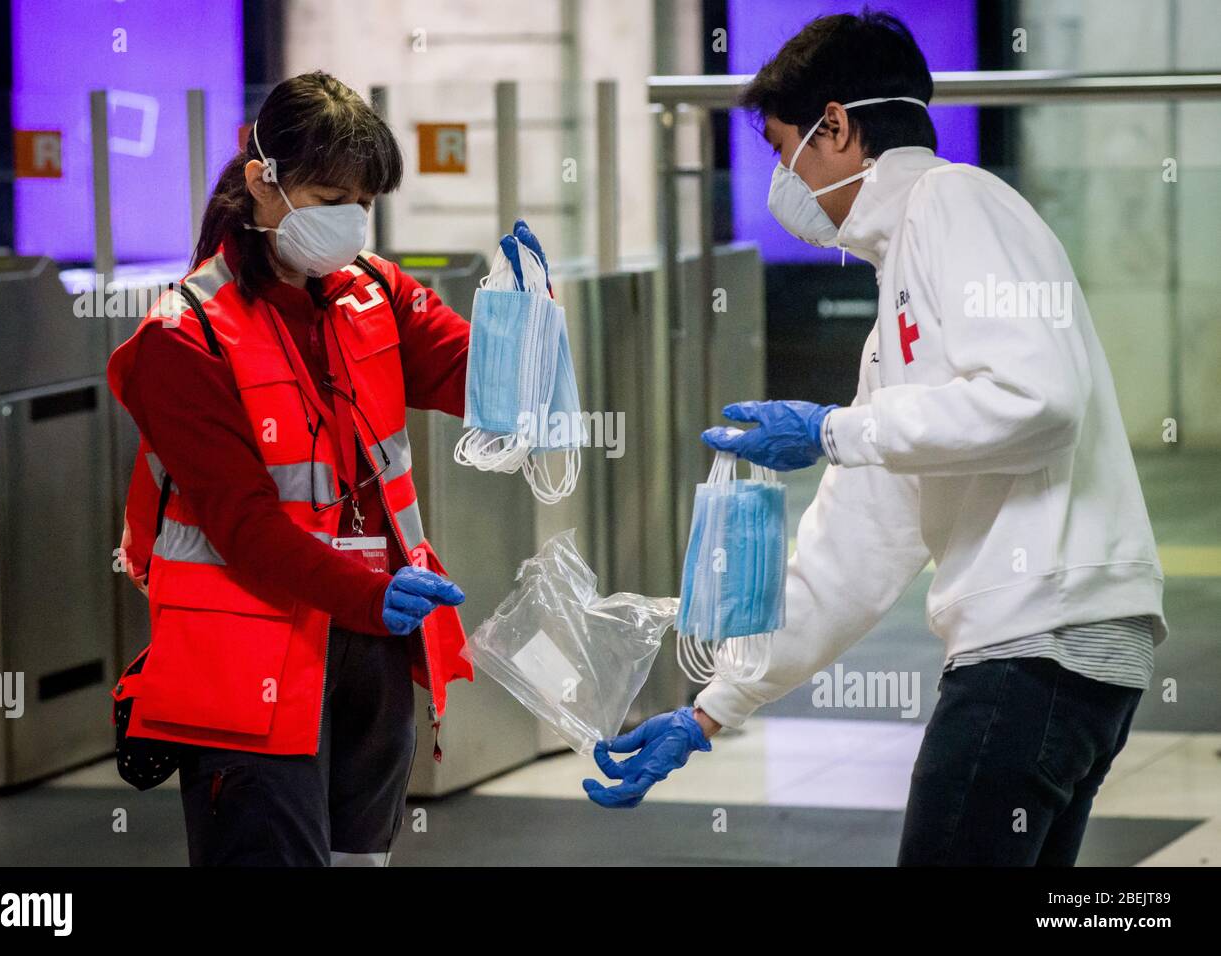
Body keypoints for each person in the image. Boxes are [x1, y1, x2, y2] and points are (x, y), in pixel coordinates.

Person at [584, 12, 1167, 867]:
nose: (786, 183)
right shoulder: (900, 288)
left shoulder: (955, 201)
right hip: (1051, 650)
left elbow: (1041, 399)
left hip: (1038, 638)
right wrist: (715, 707)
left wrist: (833, 427)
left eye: (788, 152)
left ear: (839, 126)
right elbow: (856, 543)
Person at [109, 72, 540, 866]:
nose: (350, 218)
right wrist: (372, 598)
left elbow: (481, 382)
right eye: (328, 193)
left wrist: (526, 326)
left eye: (364, 201)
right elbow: (242, 527)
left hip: (370, 654)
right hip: (249, 658)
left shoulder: (373, 292)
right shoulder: (184, 336)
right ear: (260, 182)